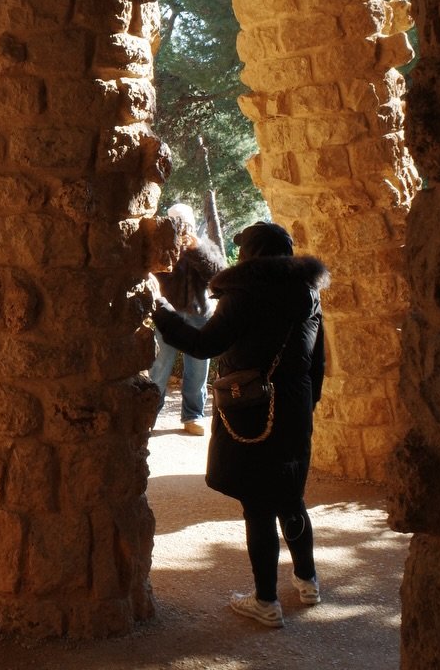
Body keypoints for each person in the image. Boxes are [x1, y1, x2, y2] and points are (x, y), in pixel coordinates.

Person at [153, 221, 328, 628]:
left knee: (259, 506)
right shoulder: (309, 292)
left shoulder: (243, 294)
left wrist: (159, 309)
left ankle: (266, 601)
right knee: (291, 496)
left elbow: (203, 344)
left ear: (249, 254)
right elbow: (318, 359)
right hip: (295, 406)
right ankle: (308, 581)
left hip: (251, 408)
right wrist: (308, 404)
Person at [150, 203, 227, 435]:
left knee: (198, 369)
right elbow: (152, 276)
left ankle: (193, 416)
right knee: (159, 367)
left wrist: (197, 248)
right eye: (177, 223)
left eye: (186, 224)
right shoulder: (161, 247)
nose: (183, 229)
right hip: (167, 314)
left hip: (199, 316)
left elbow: (219, 275)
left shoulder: (205, 246)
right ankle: (150, 413)